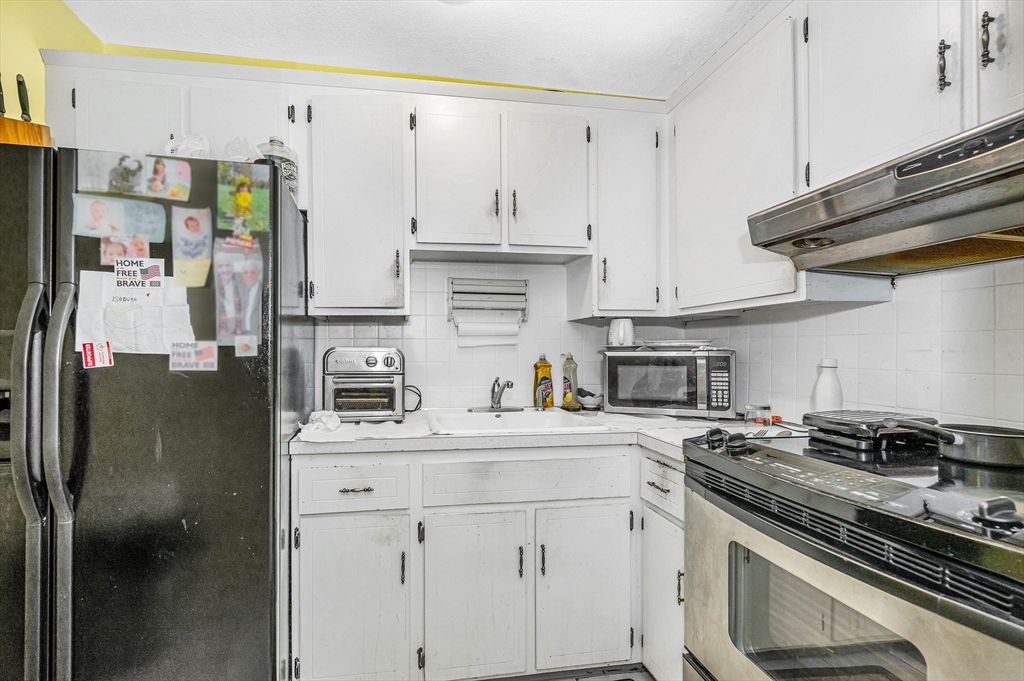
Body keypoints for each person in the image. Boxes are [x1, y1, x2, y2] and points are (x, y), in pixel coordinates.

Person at [215, 259, 242, 341]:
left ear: (232, 267)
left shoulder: (241, 281)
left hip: (239, 326)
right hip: (221, 327)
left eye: (227, 265)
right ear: (216, 269)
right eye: (220, 266)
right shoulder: (214, 283)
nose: (225, 270)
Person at [240, 260, 262, 335]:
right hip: (241, 335)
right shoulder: (239, 290)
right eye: (245, 273)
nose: (249, 275)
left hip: (258, 336)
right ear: (242, 275)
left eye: (252, 272)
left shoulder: (265, 291)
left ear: (258, 273)